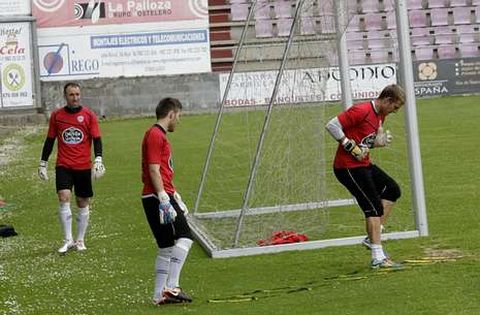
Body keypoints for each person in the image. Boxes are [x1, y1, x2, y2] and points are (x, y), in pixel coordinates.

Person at [325, 84, 405, 269]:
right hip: (348, 168)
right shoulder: (361, 110)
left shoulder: (380, 115)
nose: (396, 111)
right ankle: (377, 257)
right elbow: (332, 125)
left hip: (363, 164)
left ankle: (372, 239)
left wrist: (379, 142)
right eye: (395, 107)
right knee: (373, 207)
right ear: (387, 100)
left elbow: (365, 141)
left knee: (392, 190)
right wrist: (349, 147)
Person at [38, 82, 105, 253]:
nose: (75, 98)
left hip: (83, 165)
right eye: (71, 95)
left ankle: (80, 240)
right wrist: (43, 163)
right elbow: (50, 140)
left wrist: (98, 159)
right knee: (64, 196)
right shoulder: (57, 116)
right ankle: (67, 239)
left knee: (82, 202)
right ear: (65, 96)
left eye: (77, 94)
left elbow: (97, 139)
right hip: (64, 165)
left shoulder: (89, 115)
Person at [141, 97, 194, 305]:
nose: (178, 121)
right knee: (186, 236)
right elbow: (154, 169)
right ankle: (172, 287)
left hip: (155, 194)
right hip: (157, 196)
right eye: (178, 116)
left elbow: (161, 169)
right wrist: (164, 197)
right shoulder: (156, 135)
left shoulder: (155, 134)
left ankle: (158, 295)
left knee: (165, 247)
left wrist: (174, 194)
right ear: (171, 114)